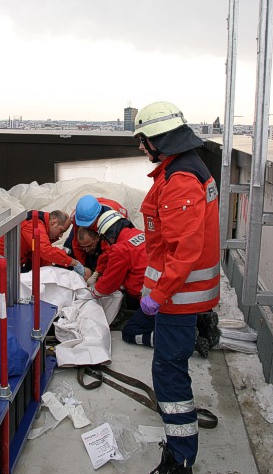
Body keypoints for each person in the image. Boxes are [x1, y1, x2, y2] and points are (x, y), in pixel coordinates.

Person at [133, 101, 220, 474]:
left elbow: (184, 251)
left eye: (143, 140)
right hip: (180, 295)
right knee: (171, 365)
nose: (140, 148)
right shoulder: (187, 169)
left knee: (168, 372)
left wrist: (158, 294)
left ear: (160, 139)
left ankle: (180, 456)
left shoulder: (180, 179)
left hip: (178, 298)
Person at [0, 210, 91, 277]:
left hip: (15, 259)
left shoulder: (40, 223)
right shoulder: (35, 224)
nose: (61, 236)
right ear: (54, 222)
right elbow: (45, 251)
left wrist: (54, 265)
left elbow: (40, 254)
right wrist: (74, 263)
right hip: (2, 261)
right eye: (61, 230)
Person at [88, 210, 147, 306]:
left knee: (133, 321)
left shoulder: (120, 249)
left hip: (146, 295)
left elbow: (109, 283)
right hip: (160, 284)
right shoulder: (139, 233)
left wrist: (94, 290)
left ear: (109, 234)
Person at [67, 195, 128, 274]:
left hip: (110, 224)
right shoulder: (78, 218)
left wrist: (98, 271)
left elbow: (108, 250)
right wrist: (82, 266)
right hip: (93, 220)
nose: (86, 227)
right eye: (84, 224)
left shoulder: (111, 221)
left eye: (89, 224)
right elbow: (76, 243)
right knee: (69, 246)